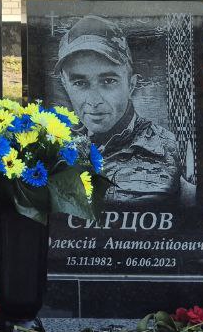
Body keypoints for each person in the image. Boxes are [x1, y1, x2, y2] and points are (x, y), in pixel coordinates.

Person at [55, 15, 189, 202]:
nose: (94, 101)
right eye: (79, 83)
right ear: (65, 85)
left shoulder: (169, 149)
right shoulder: (55, 148)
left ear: (131, 84)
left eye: (108, 81)